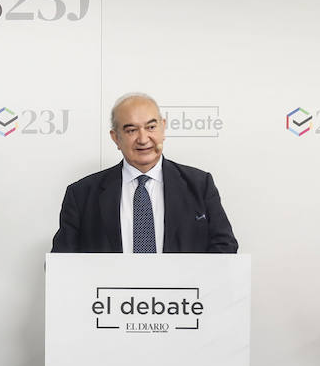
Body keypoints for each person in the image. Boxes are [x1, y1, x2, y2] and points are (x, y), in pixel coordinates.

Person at [50, 93, 237, 254]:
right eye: (131, 130)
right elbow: (60, 263)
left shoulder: (199, 185)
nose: (143, 138)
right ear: (116, 137)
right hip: (109, 296)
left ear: (163, 128)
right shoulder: (82, 194)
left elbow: (225, 248)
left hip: (181, 295)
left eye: (151, 127)